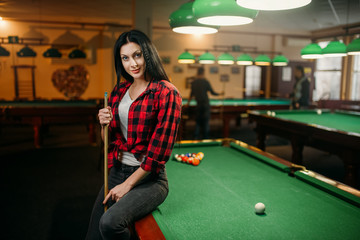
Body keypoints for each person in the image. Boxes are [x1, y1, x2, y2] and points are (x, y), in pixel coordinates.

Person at [86, 29, 182, 240]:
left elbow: (159, 153)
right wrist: (104, 125)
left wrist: (127, 185)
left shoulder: (167, 92)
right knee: (93, 235)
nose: (133, 64)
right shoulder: (119, 91)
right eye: (126, 58)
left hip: (150, 180)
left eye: (137, 55)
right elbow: (109, 143)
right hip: (117, 171)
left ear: (148, 54)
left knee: (110, 223)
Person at [187, 67, 222, 139]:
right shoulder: (206, 82)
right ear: (203, 73)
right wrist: (220, 94)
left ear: (197, 73)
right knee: (206, 122)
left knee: (198, 122)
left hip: (198, 105)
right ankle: (206, 138)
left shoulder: (194, 82)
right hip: (206, 105)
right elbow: (212, 93)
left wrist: (188, 103)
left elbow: (191, 94)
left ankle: (195, 139)